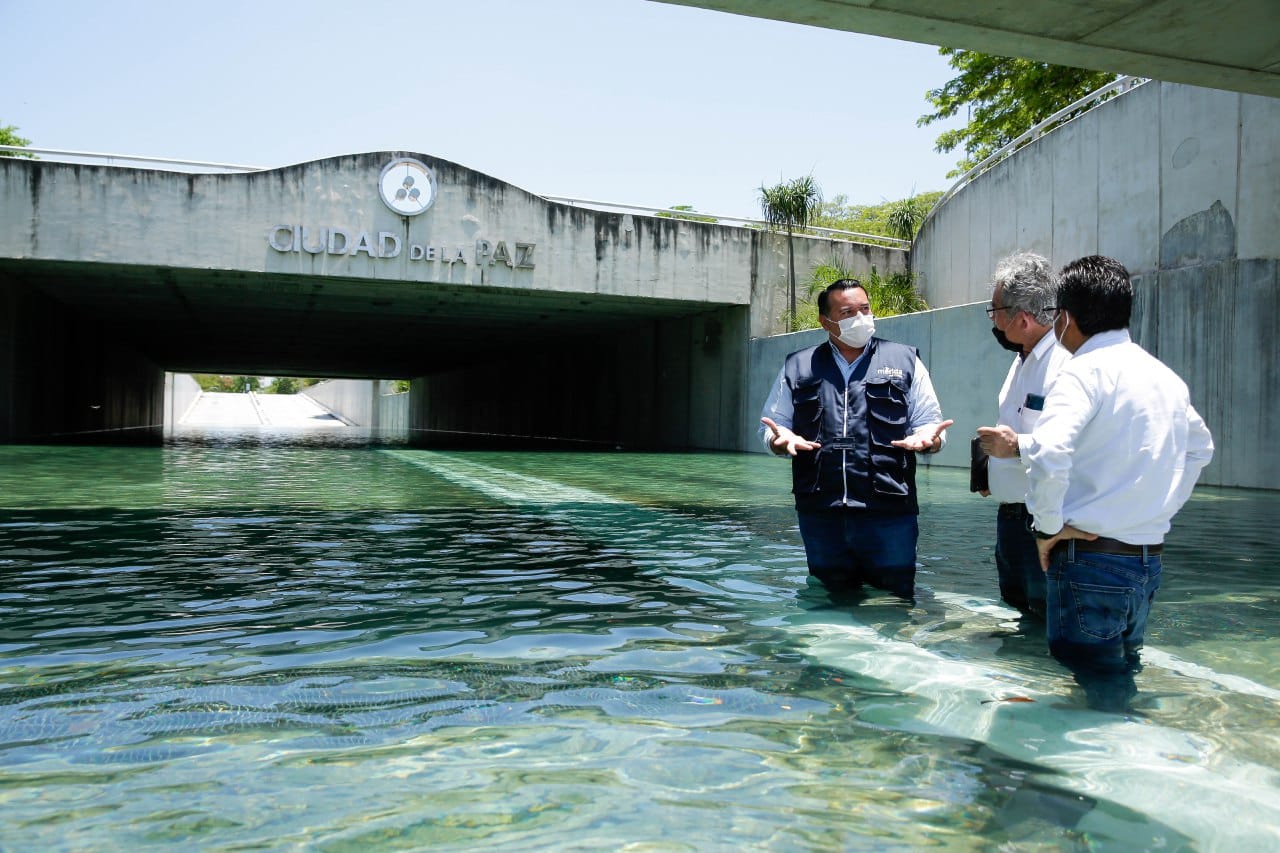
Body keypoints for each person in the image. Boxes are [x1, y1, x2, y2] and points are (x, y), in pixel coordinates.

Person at [1022, 255, 1214, 705]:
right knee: (1119, 678)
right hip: (1147, 559)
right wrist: (1156, 510)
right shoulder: (1164, 376)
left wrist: (1047, 527)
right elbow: (1200, 449)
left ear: (1065, 318)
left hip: (1090, 559)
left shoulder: (1082, 373)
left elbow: (1049, 451)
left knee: (1094, 685)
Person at [760, 279, 953, 599]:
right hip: (821, 512)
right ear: (826, 321)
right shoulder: (798, 365)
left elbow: (929, 424)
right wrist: (778, 441)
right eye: (847, 312)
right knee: (828, 601)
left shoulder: (905, 360)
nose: (860, 318)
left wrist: (929, 441)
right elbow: (773, 425)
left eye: (864, 309)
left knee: (894, 599)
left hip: (890, 512)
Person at [974, 253, 1071, 620]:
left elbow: (1070, 446)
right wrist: (989, 470)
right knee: (1019, 613)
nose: (993, 320)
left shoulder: (1064, 364)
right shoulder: (1022, 359)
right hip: (1013, 517)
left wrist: (1016, 446)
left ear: (1022, 319)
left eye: (995, 310)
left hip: (1044, 521)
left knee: (1045, 619)